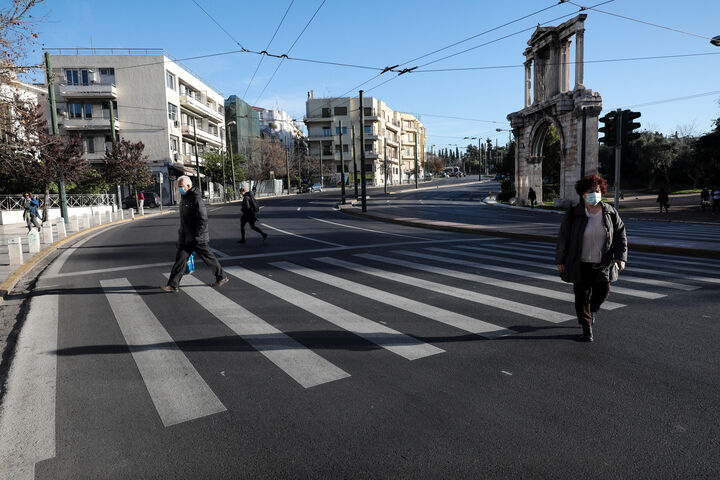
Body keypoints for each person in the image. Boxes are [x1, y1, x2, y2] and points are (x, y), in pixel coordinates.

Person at [556, 174, 627, 342]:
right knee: (581, 296)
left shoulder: (610, 212)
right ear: (582, 194)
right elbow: (563, 238)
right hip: (579, 262)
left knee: (603, 291)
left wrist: (621, 257)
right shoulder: (574, 213)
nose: (594, 194)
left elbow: (620, 235)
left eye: (597, 191)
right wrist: (560, 260)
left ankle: (592, 309)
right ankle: (586, 328)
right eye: (590, 191)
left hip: (603, 263)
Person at [162, 176, 228, 292]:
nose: (179, 189)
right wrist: (181, 235)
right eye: (178, 187)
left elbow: (203, 219)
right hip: (187, 238)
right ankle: (173, 285)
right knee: (180, 260)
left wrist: (197, 236)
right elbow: (184, 220)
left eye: (181, 187)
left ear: (188, 186)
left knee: (208, 258)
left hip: (197, 238)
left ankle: (221, 276)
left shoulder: (196, 198)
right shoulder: (185, 197)